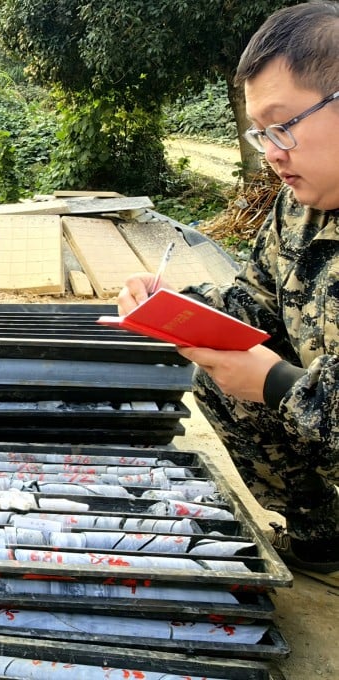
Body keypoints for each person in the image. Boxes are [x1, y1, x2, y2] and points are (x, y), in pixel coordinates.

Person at [117, 1, 339, 587]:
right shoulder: (300, 208)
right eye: (260, 133)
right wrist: (176, 307)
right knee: (215, 371)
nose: (272, 153)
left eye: (283, 125)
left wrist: (274, 381)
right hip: (319, 419)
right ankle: (322, 534)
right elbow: (256, 301)